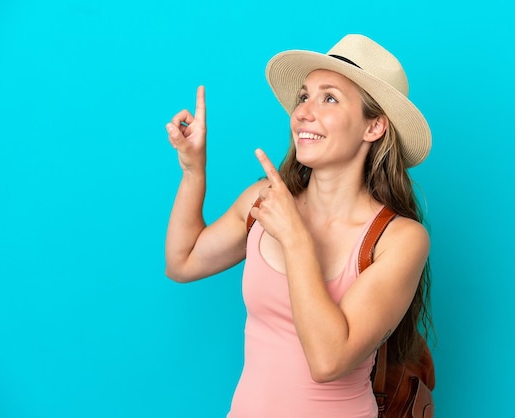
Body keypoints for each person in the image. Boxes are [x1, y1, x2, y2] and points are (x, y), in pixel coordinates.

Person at [164, 34, 433, 418]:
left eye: (330, 98)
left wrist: (296, 238)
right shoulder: (264, 200)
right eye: (304, 96)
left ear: (373, 127)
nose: (304, 112)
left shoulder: (399, 239)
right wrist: (193, 171)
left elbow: (329, 362)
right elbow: (182, 262)